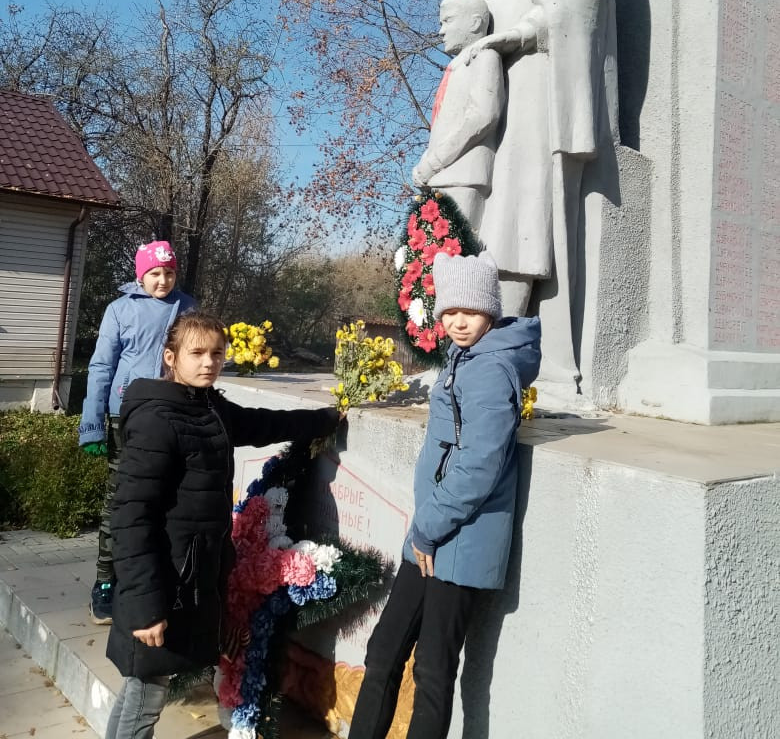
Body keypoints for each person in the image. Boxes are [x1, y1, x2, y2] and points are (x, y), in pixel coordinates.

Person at [104, 310, 341, 739]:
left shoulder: (208, 406)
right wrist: (145, 608)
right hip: (165, 583)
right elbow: (131, 517)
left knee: (142, 690)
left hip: (191, 576)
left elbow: (261, 423)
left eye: (216, 353)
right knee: (145, 698)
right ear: (170, 357)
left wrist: (321, 420)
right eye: (196, 352)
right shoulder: (159, 418)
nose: (208, 362)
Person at [456, 0, 618, 384]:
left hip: (541, 47)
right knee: (467, 179)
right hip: (480, 49)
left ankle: (503, 320)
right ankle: (450, 319)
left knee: (522, 181)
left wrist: (530, 30)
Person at [348, 251, 541, 739]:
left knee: (433, 669)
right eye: (450, 312)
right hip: (431, 533)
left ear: (490, 312)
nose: (457, 322)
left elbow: (480, 464)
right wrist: (426, 529)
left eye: (470, 312)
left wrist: (429, 528)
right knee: (384, 651)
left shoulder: (491, 370)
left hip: (459, 539)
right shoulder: (465, 358)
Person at [78, 241, 196, 624]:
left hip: (170, 412)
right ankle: (104, 583)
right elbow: (100, 367)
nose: (163, 281)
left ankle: (148, 577)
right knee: (122, 501)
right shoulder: (120, 309)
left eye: (169, 273)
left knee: (163, 498)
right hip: (124, 417)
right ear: (140, 275)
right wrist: (92, 424)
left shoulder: (187, 308)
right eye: (155, 274)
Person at [412, 0, 505, 231]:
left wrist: (434, 162)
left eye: (448, 21)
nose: (441, 30)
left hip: (463, 175)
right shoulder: (458, 65)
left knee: (455, 258)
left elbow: (483, 116)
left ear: (475, 23)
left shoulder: (484, 56)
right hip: (443, 175)